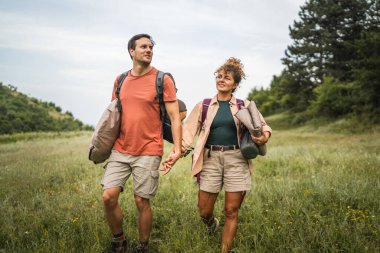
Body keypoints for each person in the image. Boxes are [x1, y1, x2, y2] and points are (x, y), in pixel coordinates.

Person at [162, 57, 272, 252]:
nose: (221, 80)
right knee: (203, 210)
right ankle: (211, 222)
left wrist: (264, 137)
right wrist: (174, 155)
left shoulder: (243, 105)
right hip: (210, 160)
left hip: (237, 159)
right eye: (219, 76)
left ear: (235, 84)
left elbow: (263, 126)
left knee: (231, 210)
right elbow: (186, 135)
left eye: (227, 78)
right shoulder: (204, 105)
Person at [101, 34, 182, 253]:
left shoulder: (162, 79)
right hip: (120, 147)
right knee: (108, 196)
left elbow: (175, 117)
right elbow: (113, 114)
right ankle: (119, 240)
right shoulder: (120, 80)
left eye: (151, 47)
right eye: (143, 46)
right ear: (131, 51)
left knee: (141, 200)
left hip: (149, 149)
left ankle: (143, 246)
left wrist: (177, 147)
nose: (148, 50)